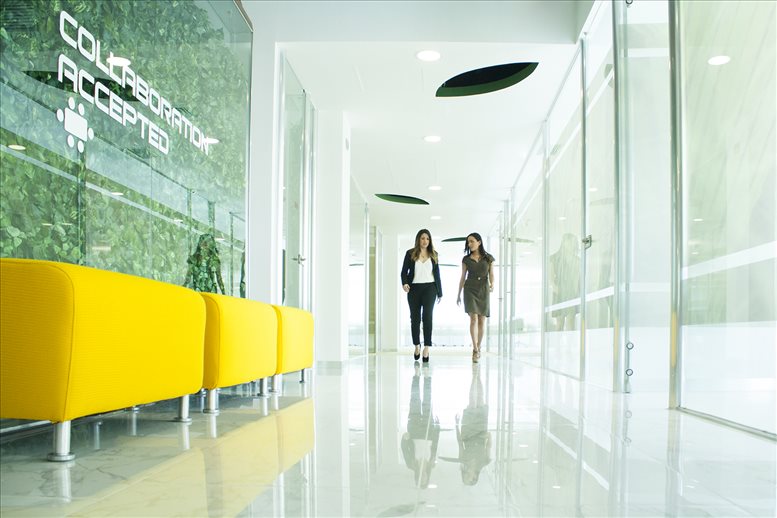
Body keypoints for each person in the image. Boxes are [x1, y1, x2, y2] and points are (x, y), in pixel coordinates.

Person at [440, 364, 491, 485]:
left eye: (465, 477)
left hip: (468, 431)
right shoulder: (484, 462)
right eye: (469, 478)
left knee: (472, 402)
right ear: (474, 477)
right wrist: (489, 436)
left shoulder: (463, 460)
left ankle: (474, 375)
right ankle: (478, 376)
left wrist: (456, 425)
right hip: (480, 431)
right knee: (480, 400)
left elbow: (460, 443)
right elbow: (488, 446)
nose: (468, 475)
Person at [400, 229, 442, 363]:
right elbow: (404, 272)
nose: (425, 241)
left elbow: (437, 274)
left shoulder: (434, 254)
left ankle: (427, 347)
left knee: (427, 317)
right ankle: (417, 345)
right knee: (415, 318)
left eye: (427, 239)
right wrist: (405, 283)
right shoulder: (410, 253)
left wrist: (440, 292)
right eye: (423, 238)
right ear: (418, 239)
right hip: (414, 289)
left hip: (430, 288)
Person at [401, 363, 440, 489]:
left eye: (420, 480)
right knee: (427, 400)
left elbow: (404, 449)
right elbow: (435, 445)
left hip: (414, 429)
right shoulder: (431, 464)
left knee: (415, 399)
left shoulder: (411, 465)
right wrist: (438, 428)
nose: (422, 477)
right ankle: (427, 376)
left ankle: (417, 375)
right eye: (424, 480)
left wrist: (404, 438)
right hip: (428, 431)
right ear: (427, 478)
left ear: (417, 478)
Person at [456, 232, 494, 363]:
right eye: (468, 242)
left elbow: (491, 274)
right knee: (473, 319)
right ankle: (475, 349)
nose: (469, 244)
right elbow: (462, 277)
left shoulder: (488, 258)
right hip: (470, 289)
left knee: (482, 320)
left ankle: (479, 345)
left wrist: (492, 284)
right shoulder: (466, 259)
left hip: (483, 289)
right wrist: (458, 294)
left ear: (479, 242)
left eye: (472, 241)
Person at [548, 233, 580, 331]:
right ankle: (557, 341)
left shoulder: (577, 260)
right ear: (564, 242)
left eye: (573, 242)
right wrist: (555, 288)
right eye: (569, 241)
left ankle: (570, 341)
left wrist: (576, 292)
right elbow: (550, 277)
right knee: (560, 322)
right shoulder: (554, 258)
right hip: (559, 291)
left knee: (571, 321)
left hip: (571, 292)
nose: (571, 244)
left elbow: (577, 277)